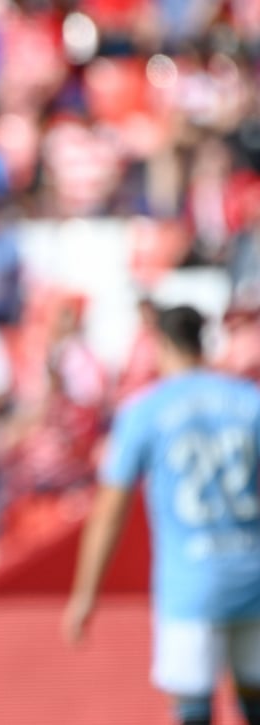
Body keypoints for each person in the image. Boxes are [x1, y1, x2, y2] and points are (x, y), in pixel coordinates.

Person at [62, 305, 260, 725]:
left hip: (191, 584)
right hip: (254, 577)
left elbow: (109, 511)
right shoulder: (250, 401)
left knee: (193, 708)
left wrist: (85, 594)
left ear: (162, 345)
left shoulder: (145, 411)